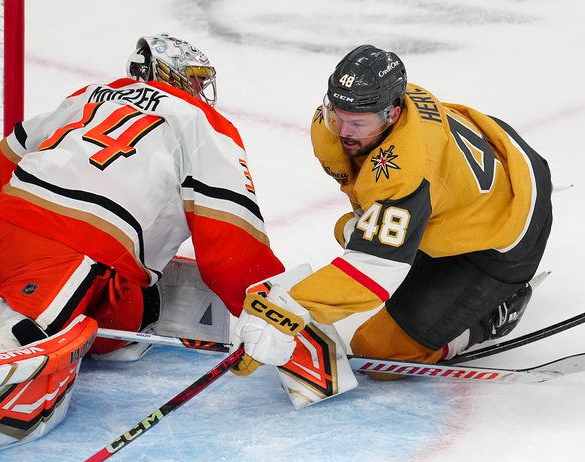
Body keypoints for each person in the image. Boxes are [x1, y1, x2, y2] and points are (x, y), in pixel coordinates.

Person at [0, 33, 284, 462]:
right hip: (77, 248)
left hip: (12, 223)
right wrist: (266, 305)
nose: (200, 91)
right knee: (25, 336)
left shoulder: (91, 94)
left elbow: (8, 154)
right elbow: (230, 240)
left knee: (120, 338)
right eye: (194, 80)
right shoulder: (203, 123)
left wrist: (24, 224)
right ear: (169, 77)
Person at [233, 44, 551, 380]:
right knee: (352, 231)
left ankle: (492, 312)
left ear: (393, 114)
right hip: (466, 196)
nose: (342, 131)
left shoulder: (407, 168)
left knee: (379, 352)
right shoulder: (355, 116)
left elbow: (374, 269)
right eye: (336, 114)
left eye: (357, 123)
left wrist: (287, 310)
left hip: (503, 237)